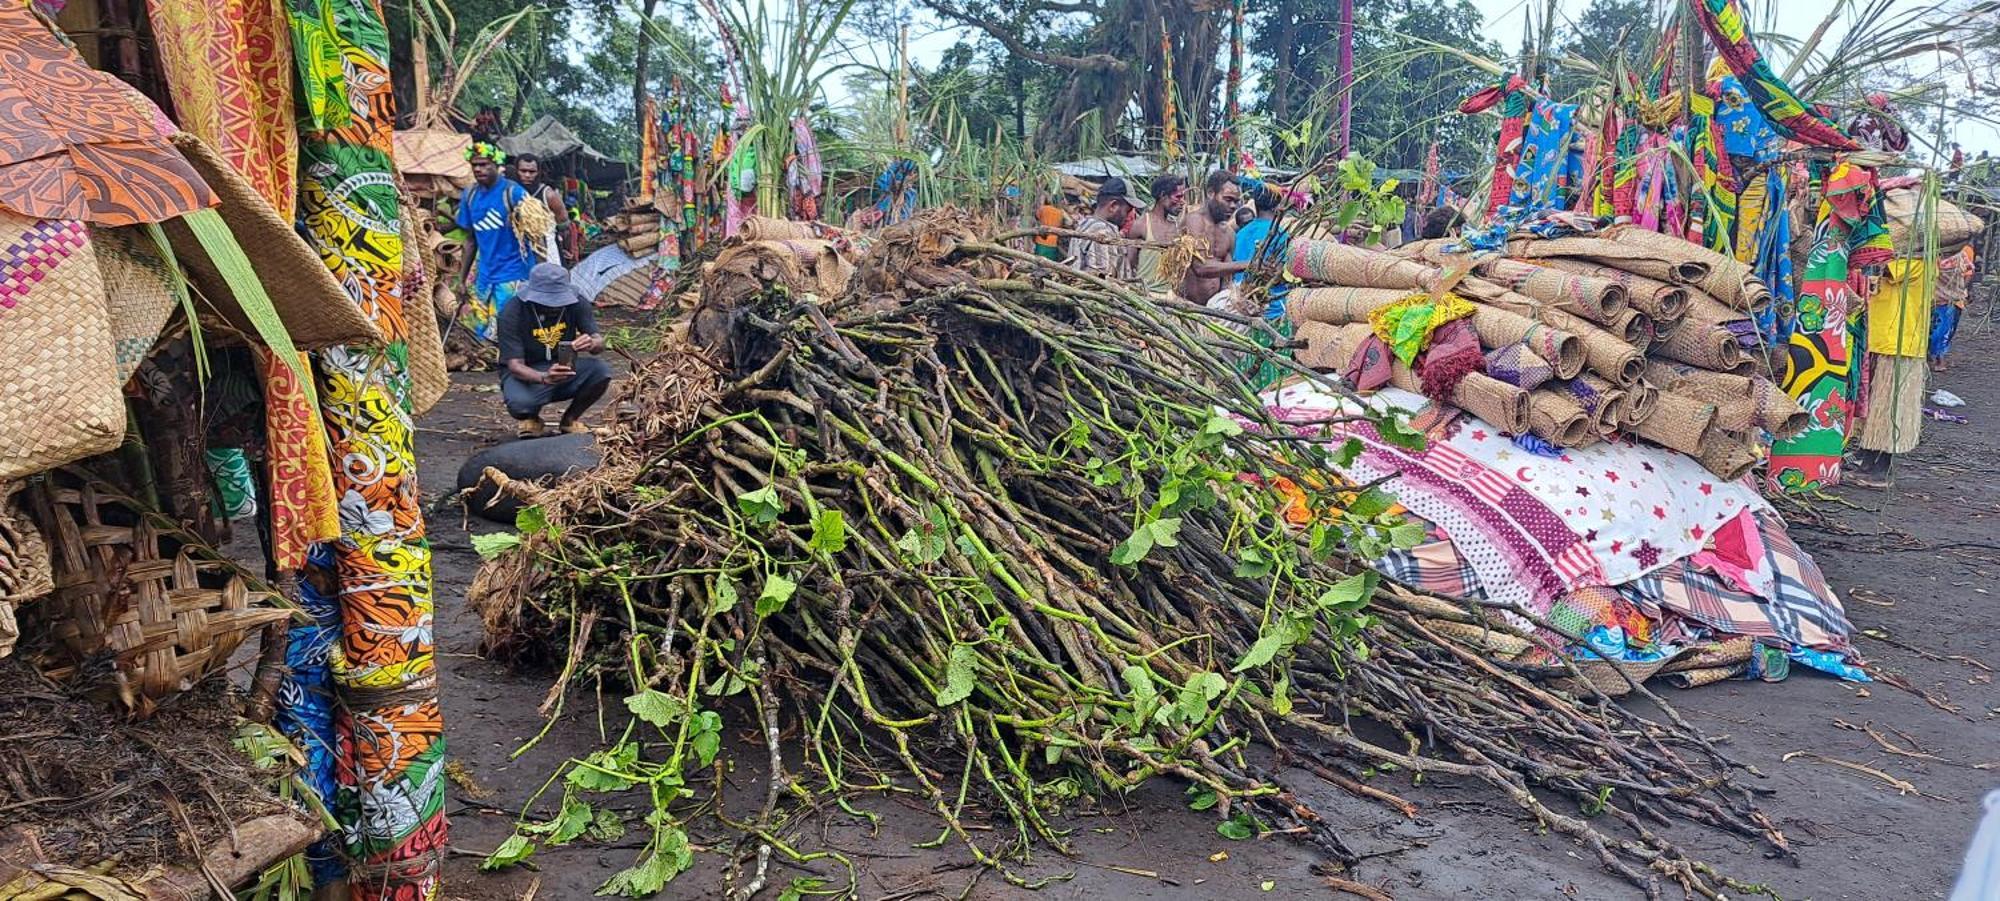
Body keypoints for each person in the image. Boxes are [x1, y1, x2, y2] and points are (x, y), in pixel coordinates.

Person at [499, 262, 612, 438]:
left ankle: (570, 419)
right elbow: (515, 365)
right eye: (547, 302)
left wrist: (592, 343)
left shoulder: (577, 303)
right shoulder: (512, 311)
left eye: (559, 301)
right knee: (520, 404)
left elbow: (599, 342)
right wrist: (544, 378)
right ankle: (531, 418)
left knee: (601, 371)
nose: (554, 307)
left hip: (562, 366)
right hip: (527, 372)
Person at [457, 142, 536, 344]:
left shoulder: (514, 193)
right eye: (474, 165)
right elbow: (470, 241)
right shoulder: (470, 196)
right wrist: (462, 279)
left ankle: (513, 365)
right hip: (485, 274)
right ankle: (489, 361)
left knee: (507, 325)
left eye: (483, 164)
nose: (478, 169)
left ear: (497, 164)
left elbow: (537, 233)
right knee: (479, 328)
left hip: (514, 272)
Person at [1178, 171, 1244, 303]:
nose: (1233, 206)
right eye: (1228, 199)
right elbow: (1200, 268)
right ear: (1210, 193)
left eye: (1236, 201)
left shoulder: (1229, 233)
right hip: (1186, 308)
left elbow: (1226, 279)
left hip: (1213, 311)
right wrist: (1246, 265)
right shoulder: (1194, 221)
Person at [1067, 176, 1143, 279]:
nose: (1128, 216)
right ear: (1113, 206)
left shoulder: (1085, 225)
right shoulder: (1102, 232)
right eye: (1127, 210)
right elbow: (1101, 280)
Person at [1134, 174, 1188, 295]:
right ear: (1163, 195)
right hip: (1145, 297)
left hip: (1170, 298)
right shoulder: (1141, 225)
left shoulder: (1177, 227)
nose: (1182, 202)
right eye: (1178, 197)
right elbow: (1130, 264)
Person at [515, 153, 570, 263]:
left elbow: (564, 224)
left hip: (547, 251)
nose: (527, 175)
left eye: (532, 172)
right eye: (523, 171)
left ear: (539, 172)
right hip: (519, 251)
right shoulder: (511, 194)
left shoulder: (549, 196)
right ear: (516, 171)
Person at [1931, 244, 1976, 371]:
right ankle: (1933, 356)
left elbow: (1969, 272)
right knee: (1933, 330)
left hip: (1953, 301)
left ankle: (1940, 357)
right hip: (1933, 298)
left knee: (1947, 330)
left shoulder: (1965, 251)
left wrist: (1961, 289)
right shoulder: (1932, 251)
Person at [1033, 192, 1069, 261]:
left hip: (1041, 240)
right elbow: (1065, 224)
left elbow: (1037, 217)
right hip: (1053, 242)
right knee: (1050, 265)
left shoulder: (1043, 209)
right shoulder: (1060, 213)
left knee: (1038, 264)